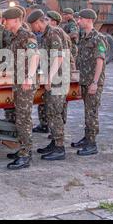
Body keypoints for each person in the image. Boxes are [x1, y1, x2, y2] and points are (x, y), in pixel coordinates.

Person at [28, 9, 67, 161]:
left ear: (39, 22)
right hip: (52, 78)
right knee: (50, 111)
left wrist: (49, 78)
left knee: (55, 112)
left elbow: (59, 57)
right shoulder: (45, 35)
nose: (32, 28)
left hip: (58, 79)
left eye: (33, 25)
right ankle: (54, 142)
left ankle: (60, 148)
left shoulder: (53, 33)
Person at [3, 7, 40, 170]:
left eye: (7, 20)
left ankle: (26, 155)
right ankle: (23, 149)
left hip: (25, 83)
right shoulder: (15, 37)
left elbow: (35, 56)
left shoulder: (26, 35)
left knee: (24, 118)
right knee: (19, 117)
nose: (4, 23)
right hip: (18, 81)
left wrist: (29, 77)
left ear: (16, 20)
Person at [72, 9, 106, 156]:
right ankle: (87, 138)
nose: (78, 21)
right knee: (87, 111)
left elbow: (100, 61)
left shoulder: (98, 38)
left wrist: (95, 82)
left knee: (91, 112)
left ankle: (92, 144)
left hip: (92, 82)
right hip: (84, 81)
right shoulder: (83, 37)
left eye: (81, 19)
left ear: (89, 20)